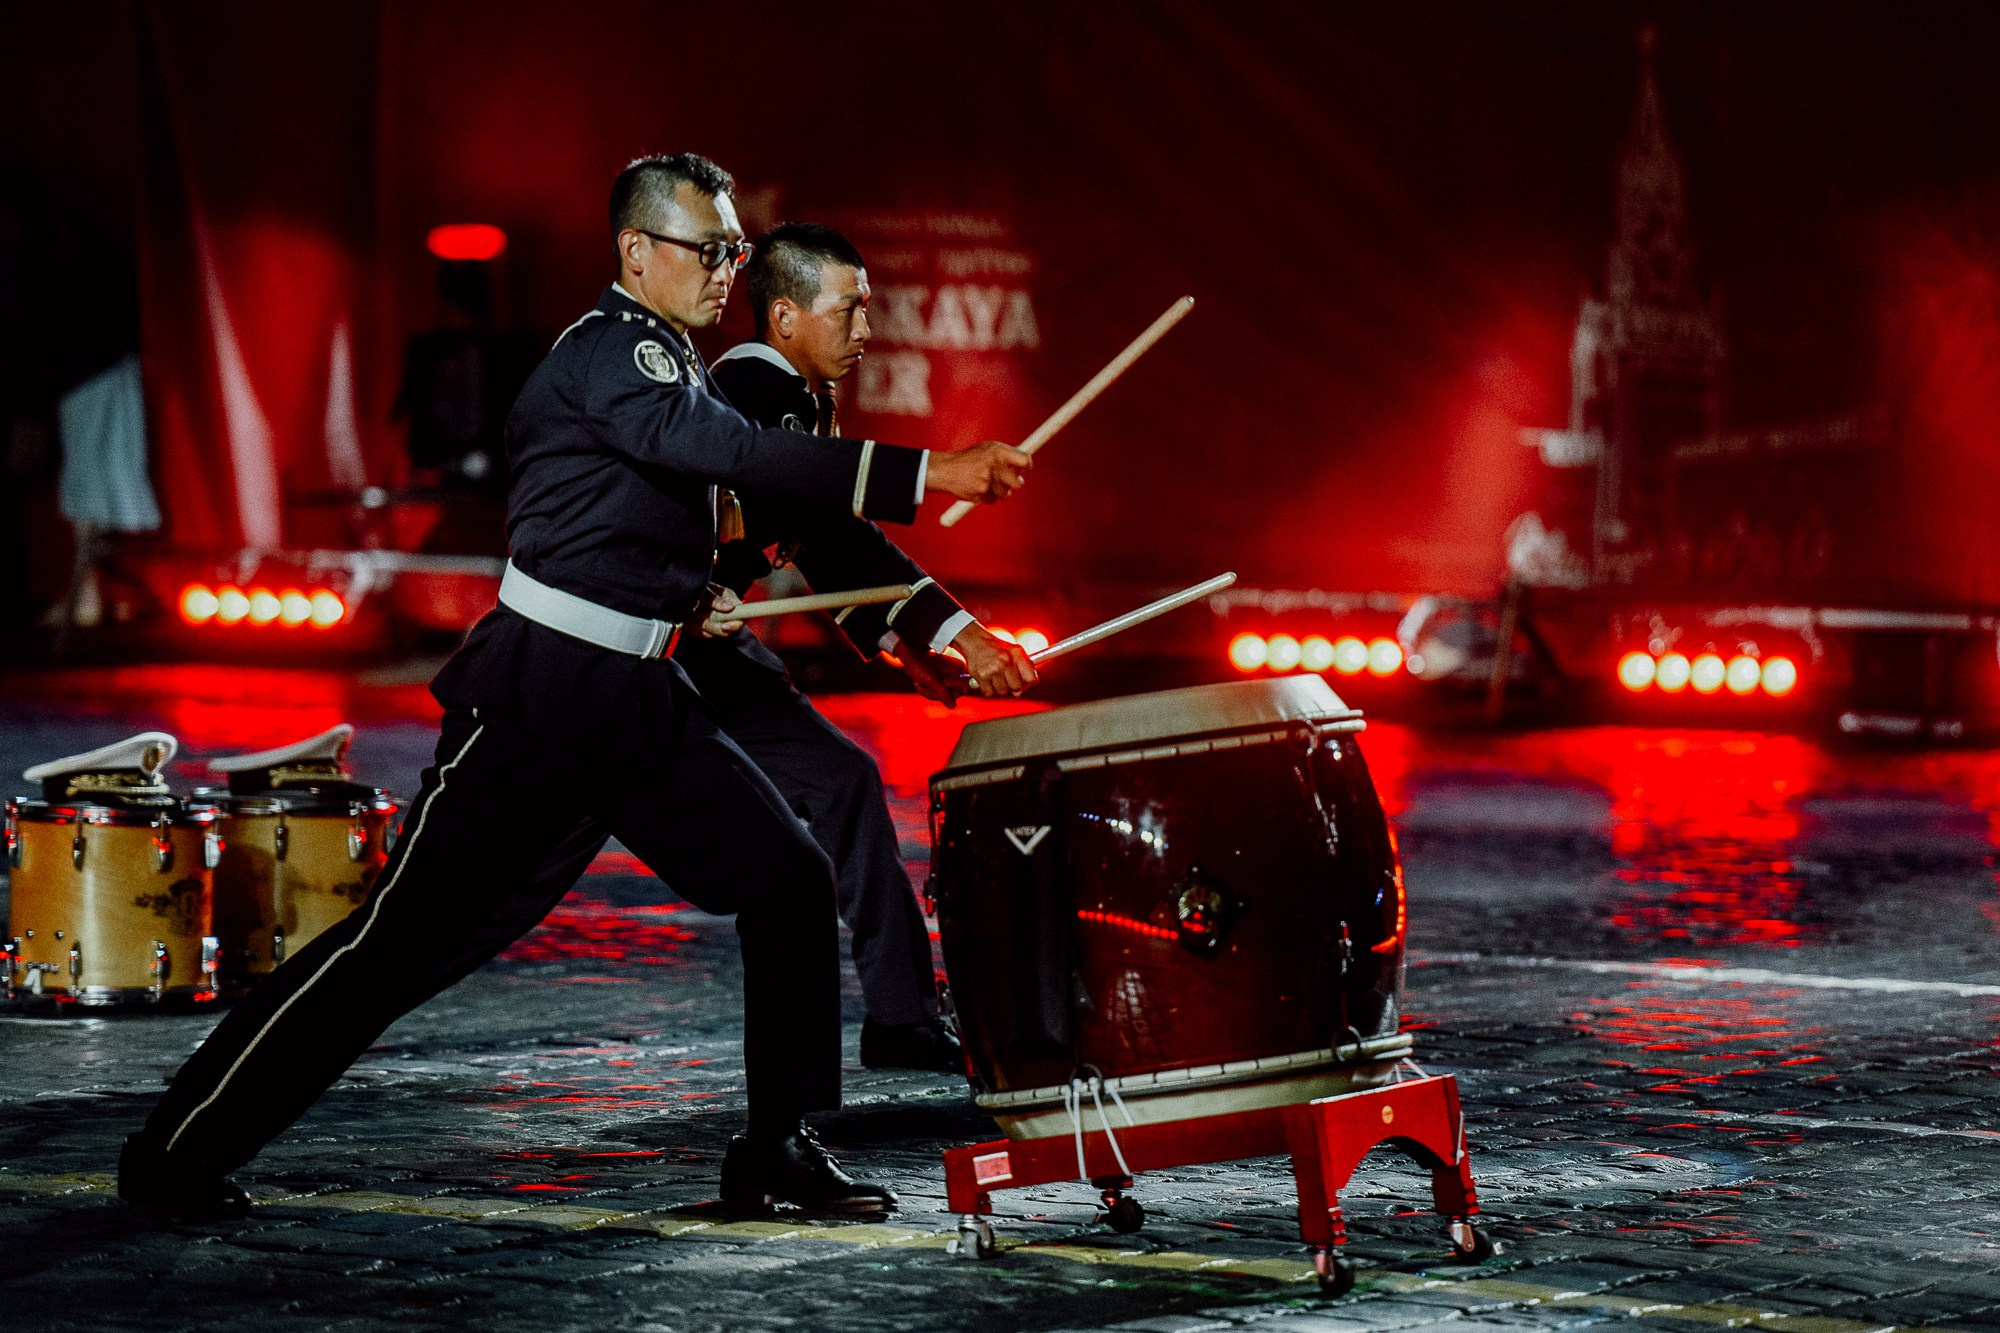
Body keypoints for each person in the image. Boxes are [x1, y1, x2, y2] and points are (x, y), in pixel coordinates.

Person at [117, 153, 1031, 1222]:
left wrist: (746, 603)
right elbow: (715, 447)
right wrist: (931, 473)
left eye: (734, 250)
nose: (725, 270)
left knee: (786, 878)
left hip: (638, 700)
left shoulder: (675, 363)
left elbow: (713, 511)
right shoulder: (615, 351)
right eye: (709, 249)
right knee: (393, 950)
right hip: (542, 701)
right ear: (635, 252)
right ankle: (173, 1151)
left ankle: (777, 1148)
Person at [687, 221, 1036, 1074]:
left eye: (868, 310)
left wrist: (897, 646)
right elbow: (833, 519)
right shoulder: (747, 388)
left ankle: (902, 1016)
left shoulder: (799, 405)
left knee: (842, 780)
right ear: (783, 319)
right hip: (647, 658)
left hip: (715, 656)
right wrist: (967, 628)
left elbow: (820, 541)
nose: (865, 330)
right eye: (848, 310)